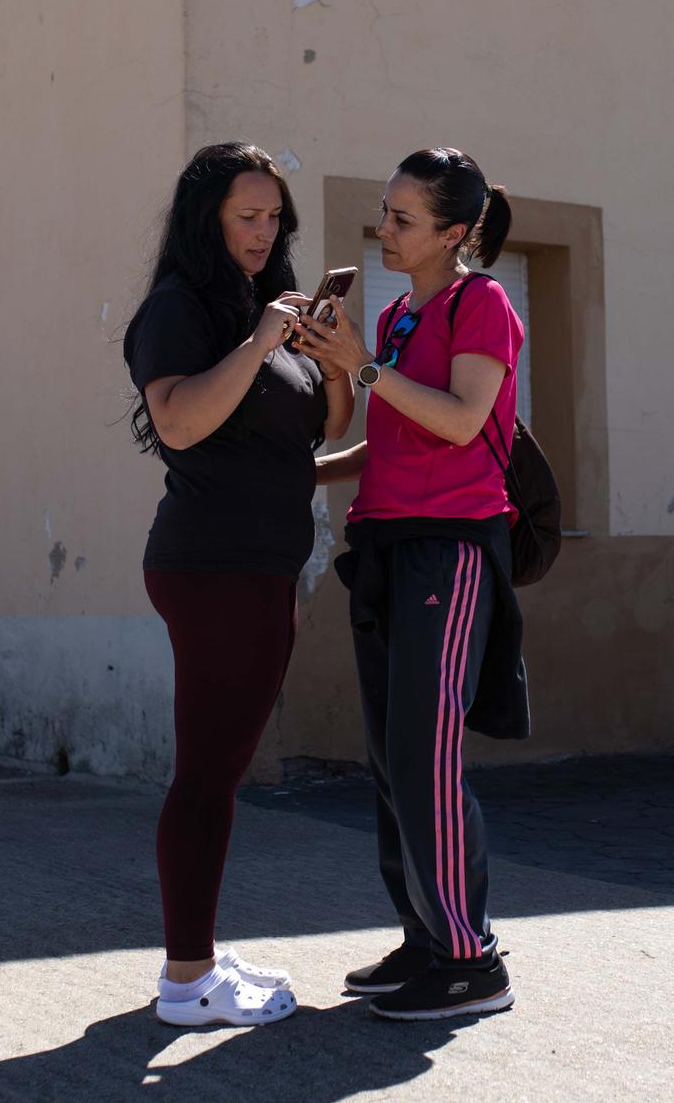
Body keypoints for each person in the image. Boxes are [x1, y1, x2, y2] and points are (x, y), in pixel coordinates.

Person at [291, 147, 525, 1020]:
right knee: (392, 759)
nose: (384, 230)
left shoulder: (483, 304)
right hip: (386, 548)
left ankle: (471, 958)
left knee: (427, 757)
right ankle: (424, 934)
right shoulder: (393, 318)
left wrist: (361, 366)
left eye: (403, 219)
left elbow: (463, 422)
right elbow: (388, 435)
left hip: (449, 549)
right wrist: (307, 470)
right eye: (384, 213)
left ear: (455, 233)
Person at [123, 142, 354, 1026]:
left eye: (273, 219)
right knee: (207, 778)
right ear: (206, 217)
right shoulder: (178, 310)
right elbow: (179, 422)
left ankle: (199, 958)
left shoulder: (269, 307)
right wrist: (262, 340)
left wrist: (330, 362)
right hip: (211, 564)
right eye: (245, 216)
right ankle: (187, 982)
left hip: (262, 566)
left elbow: (314, 431)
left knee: (217, 769)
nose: (264, 234)